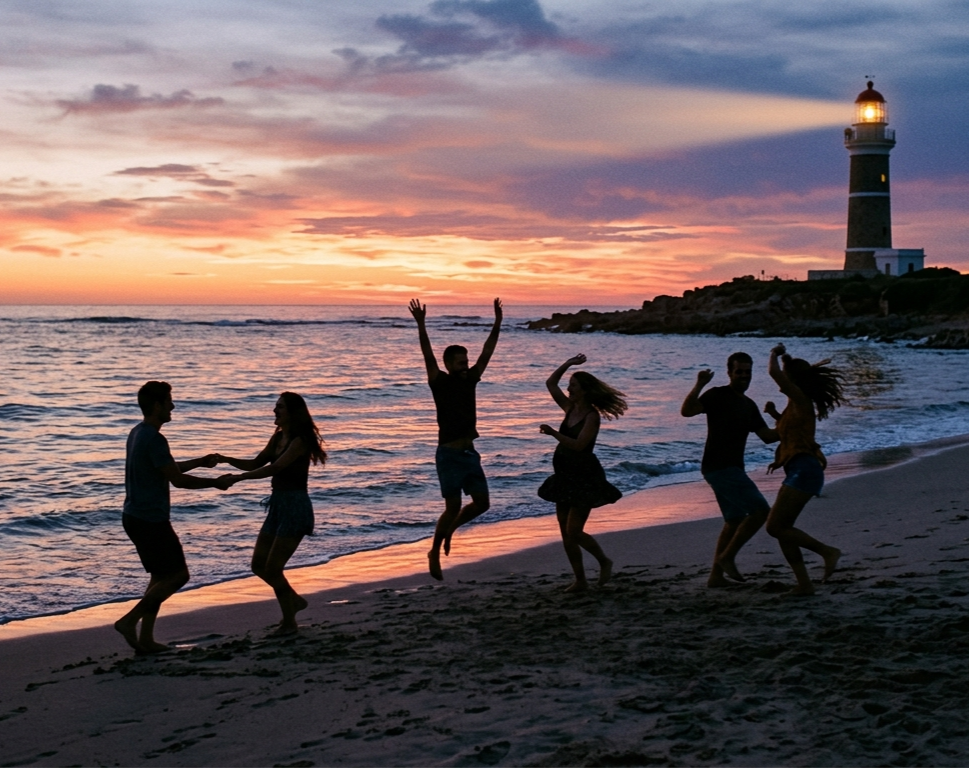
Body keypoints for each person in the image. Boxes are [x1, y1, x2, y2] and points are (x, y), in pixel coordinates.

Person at [115, 381, 228, 654]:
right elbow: (177, 480)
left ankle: (146, 638)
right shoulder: (154, 437)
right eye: (169, 401)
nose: (173, 406)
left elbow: (166, 468)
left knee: (159, 577)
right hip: (149, 520)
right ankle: (129, 621)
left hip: (134, 516)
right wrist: (215, 483)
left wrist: (200, 461)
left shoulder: (138, 432)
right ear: (157, 406)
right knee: (178, 575)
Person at [216, 392, 326, 635]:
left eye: (280, 407)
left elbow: (276, 467)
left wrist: (238, 479)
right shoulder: (278, 437)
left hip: (295, 507)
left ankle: (289, 621)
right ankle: (294, 602)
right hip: (277, 505)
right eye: (276, 407)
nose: (274, 411)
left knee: (273, 568)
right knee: (258, 565)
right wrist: (225, 459)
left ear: (292, 412)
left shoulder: (299, 440)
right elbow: (255, 463)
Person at [408, 297, 502, 581]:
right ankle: (434, 550)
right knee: (452, 507)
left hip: (469, 454)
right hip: (448, 455)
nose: (466, 366)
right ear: (448, 364)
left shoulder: (471, 379)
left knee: (483, 503)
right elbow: (427, 354)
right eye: (460, 362)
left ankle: (450, 530)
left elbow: (487, 352)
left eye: (466, 362)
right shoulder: (439, 382)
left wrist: (497, 322)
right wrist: (421, 324)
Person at [681, 352, 779, 587]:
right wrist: (700, 383)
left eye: (747, 372)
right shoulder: (717, 395)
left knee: (734, 520)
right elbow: (687, 411)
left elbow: (767, 436)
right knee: (760, 512)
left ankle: (716, 577)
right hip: (719, 467)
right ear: (729, 373)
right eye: (739, 372)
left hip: (732, 468)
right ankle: (727, 558)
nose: (744, 376)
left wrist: (792, 424)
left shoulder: (748, 405)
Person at [763, 343, 846, 595]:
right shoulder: (793, 405)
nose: (781, 382)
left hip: (805, 470)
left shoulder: (800, 398)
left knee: (775, 527)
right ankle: (804, 584)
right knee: (782, 530)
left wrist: (774, 354)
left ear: (792, 379)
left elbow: (774, 374)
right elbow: (780, 434)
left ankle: (827, 552)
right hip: (797, 469)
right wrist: (773, 413)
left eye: (786, 377)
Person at [538, 355, 626, 593]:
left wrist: (554, 433)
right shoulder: (569, 408)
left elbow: (578, 445)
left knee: (573, 530)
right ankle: (580, 580)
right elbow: (550, 384)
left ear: (585, 391)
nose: (568, 390)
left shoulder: (592, 417)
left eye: (574, 387)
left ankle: (604, 561)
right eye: (569, 386)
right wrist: (567, 364)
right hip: (564, 476)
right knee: (565, 533)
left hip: (584, 477)